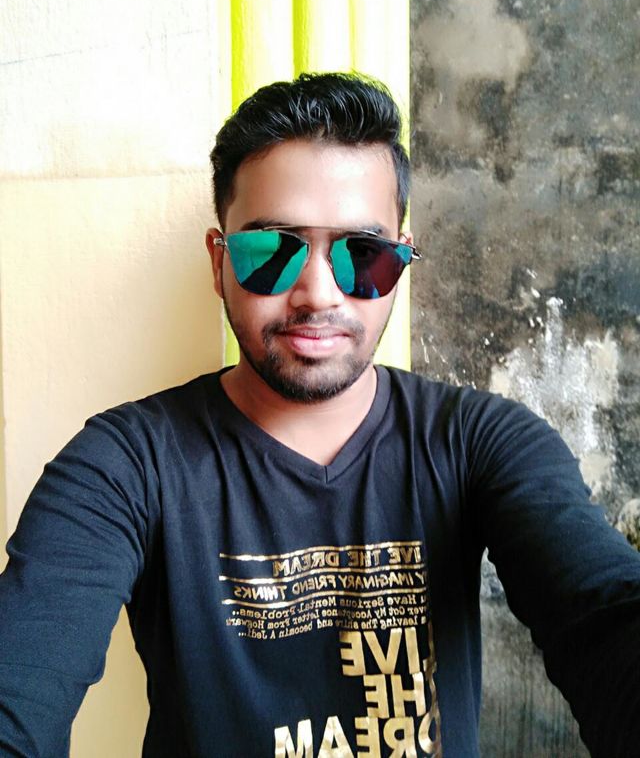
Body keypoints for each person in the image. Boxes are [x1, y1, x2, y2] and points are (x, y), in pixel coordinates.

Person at [0, 73, 639, 758]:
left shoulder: (481, 443)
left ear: (401, 258)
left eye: (362, 253)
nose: (318, 293)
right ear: (219, 261)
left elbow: (603, 614)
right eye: (271, 250)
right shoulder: (124, 466)